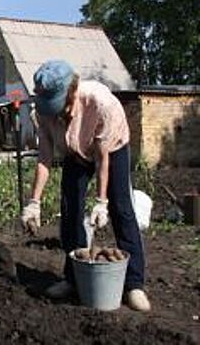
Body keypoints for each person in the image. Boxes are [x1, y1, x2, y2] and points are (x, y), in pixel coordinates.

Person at [21, 60, 151, 311]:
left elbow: (103, 158)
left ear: (71, 91)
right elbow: (44, 159)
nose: (53, 110)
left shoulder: (100, 103)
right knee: (70, 209)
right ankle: (73, 277)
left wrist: (102, 202)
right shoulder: (43, 112)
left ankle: (134, 284)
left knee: (121, 208)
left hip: (111, 148)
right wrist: (33, 202)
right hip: (75, 152)